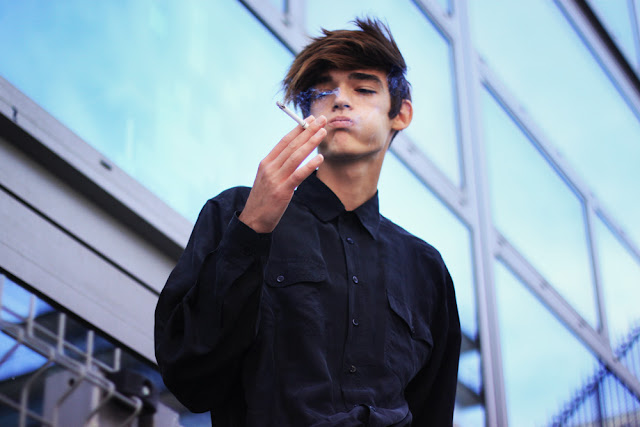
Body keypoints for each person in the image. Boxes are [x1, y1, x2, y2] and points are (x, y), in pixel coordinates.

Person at [155, 18, 461, 427]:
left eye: (363, 89)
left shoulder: (426, 268)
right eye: (322, 91)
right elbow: (188, 376)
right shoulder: (238, 211)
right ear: (304, 113)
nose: (340, 100)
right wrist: (251, 229)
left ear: (400, 113)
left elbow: (433, 413)